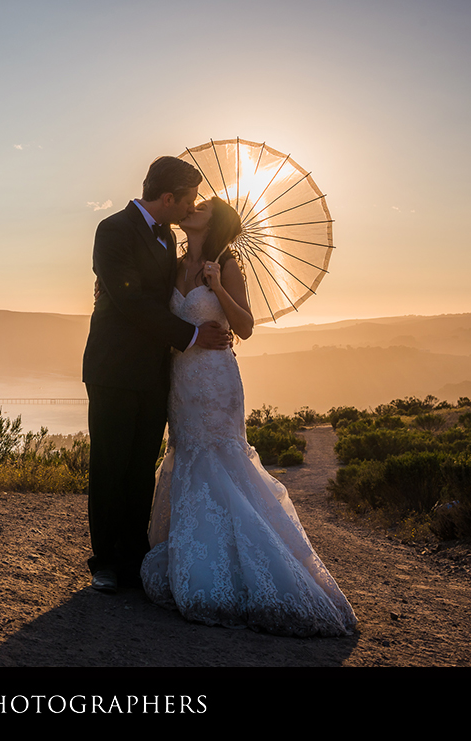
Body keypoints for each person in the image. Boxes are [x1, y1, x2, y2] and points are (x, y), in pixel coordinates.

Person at [140, 196, 358, 637]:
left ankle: (241, 568)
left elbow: (245, 327)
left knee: (221, 460)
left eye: (200, 207)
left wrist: (217, 286)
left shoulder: (227, 264)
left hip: (217, 381)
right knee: (188, 457)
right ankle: (196, 554)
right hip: (181, 380)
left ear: (214, 222)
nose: (191, 209)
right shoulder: (174, 260)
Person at [82, 157, 232, 594]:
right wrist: (190, 334)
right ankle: (105, 562)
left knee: (140, 469)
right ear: (168, 198)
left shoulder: (169, 238)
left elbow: (169, 296)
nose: (191, 208)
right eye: (187, 201)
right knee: (110, 466)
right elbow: (130, 302)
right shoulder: (113, 229)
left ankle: (133, 557)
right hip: (114, 368)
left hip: (156, 372)